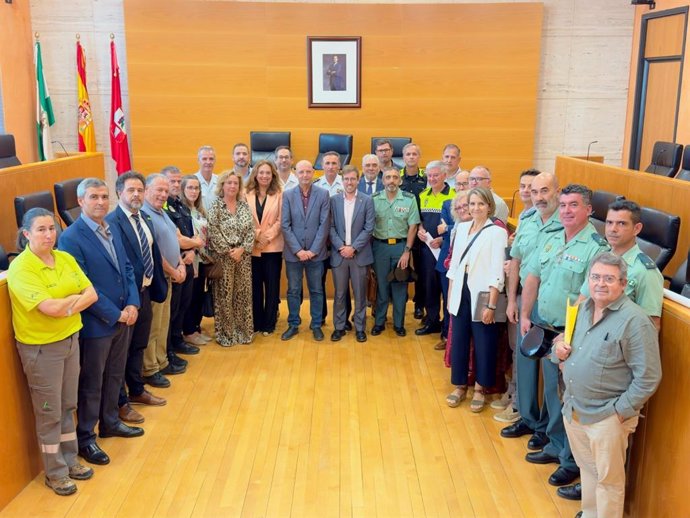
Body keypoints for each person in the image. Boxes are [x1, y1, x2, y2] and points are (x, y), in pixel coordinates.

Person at [557, 198, 665, 503]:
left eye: (622, 223)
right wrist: (563, 350)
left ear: (637, 229)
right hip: (578, 403)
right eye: (611, 223)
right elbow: (577, 325)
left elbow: (647, 337)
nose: (614, 229)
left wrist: (622, 409)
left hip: (610, 404)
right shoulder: (601, 263)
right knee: (590, 470)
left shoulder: (643, 273)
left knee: (608, 478)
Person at [520, 183, 610, 489]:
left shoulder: (596, 247)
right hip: (544, 326)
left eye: (574, 205)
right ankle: (555, 447)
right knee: (553, 395)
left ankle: (571, 461)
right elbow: (533, 276)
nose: (567, 210)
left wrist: (568, 339)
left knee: (569, 399)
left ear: (589, 210)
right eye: (564, 205)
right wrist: (524, 314)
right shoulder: (551, 238)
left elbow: (589, 298)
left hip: (569, 335)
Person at [8, 208, 98, 496]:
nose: (49, 235)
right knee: (49, 412)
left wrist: (66, 306)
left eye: (51, 228)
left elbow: (92, 294)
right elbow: (49, 309)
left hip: (70, 340)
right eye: (41, 230)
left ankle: (70, 460)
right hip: (41, 350)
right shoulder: (21, 268)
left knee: (67, 405)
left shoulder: (64, 258)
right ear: (26, 235)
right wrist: (74, 302)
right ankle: (55, 472)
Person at [58, 178, 143, 467]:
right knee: (92, 382)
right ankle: (86, 439)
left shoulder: (111, 227)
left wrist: (132, 303)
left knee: (115, 375)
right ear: (80, 201)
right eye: (93, 197)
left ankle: (110, 423)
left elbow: (128, 268)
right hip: (97, 324)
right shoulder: (71, 237)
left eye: (104, 196)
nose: (100, 202)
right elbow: (83, 286)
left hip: (123, 316)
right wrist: (115, 313)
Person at [106, 171, 168, 426]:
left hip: (144, 291)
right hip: (126, 298)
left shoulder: (143, 218)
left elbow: (151, 252)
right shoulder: (113, 222)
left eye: (140, 190)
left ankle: (137, 389)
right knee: (123, 352)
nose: (136, 195)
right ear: (119, 192)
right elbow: (122, 265)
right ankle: (121, 403)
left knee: (139, 345)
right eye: (131, 190)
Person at [501, 172, 560, 440]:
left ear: (557, 192)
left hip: (550, 302)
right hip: (525, 298)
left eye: (544, 191)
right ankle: (527, 417)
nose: (539, 197)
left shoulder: (566, 224)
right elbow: (516, 260)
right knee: (524, 359)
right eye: (534, 192)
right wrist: (512, 299)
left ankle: (547, 429)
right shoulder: (527, 220)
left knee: (550, 371)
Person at [445, 187, 508, 412]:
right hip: (460, 290)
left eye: (480, 204)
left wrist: (492, 304)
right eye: (472, 204)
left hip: (483, 294)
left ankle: (481, 388)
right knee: (460, 340)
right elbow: (454, 265)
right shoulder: (461, 228)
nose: (475, 208)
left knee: (484, 343)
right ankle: (460, 385)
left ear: (489, 206)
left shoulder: (497, 232)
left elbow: (497, 270)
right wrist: (451, 296)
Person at [492, 168, 541, 422]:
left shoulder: (546, 221)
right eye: (524, 186)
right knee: (513, 347)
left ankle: (519, 405)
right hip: (517, 289)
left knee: (522, 349)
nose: (527, 192)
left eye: (533, 188)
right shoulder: (525, 215)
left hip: (531, 295)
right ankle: (513, 395)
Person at [142, 174, 187, 388]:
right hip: (159, 278)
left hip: (170, 275)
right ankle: (151, 368)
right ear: (146, 190)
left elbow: (174, 238)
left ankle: (162, 362)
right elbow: (154, 252)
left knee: (163, 323)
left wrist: (180, 264)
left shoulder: (162, 212)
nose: (162, 194)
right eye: (158, 190)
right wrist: (173, 269)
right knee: (153, 326)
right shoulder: (144, 214)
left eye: (165, 190)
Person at [280, 160, 331, 342]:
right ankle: (293, 323)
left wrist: (313, 250)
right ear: (296, 172)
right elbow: (285, 225)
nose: (305, 175)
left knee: (316, 290)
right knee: (293, 290)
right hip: (294, 255)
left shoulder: (323, 194)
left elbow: (324, 225)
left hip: (316, 254)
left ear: (313, 173)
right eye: (301, 172)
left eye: (308, 172)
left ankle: (316, 324)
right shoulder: (287, 195)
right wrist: (298, 251)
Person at [207, 170, 255, 346]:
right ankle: (227, 334)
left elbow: (250, 230)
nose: (232, 186)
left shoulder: (243, 206)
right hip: (223, 259)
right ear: (222, 185)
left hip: (243, 258)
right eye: (229, 183)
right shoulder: (215, 206)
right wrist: (229, 251)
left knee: (243, 295)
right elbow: (213, 231)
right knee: (224, 297)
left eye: (235, 183)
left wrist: (241, 249)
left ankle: (244, 332)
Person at [371, 166, 420, 336]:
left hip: (401, 247)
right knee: (382, 286)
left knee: (400, 285)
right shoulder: (374, 199)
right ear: (383, 181)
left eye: (394, 177)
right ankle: (379, 322)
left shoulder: (409, 199)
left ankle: (399, 324)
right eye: (388, 177)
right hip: (380, 248)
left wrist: (407, 251)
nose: (391, 180)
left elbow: (413, 226)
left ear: (399, 180)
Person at [329, 165, 375, 342]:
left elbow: (369, 228)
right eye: (346, 179)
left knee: (360, 293)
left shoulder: (367, 200)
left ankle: (360, 328)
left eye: (353, 179)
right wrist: (342, 247)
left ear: (358, 180)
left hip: (359, 255)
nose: (349, 182)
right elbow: (330, 227)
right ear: (342, 180)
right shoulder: (333, 201)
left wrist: (353, 247)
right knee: (340, 294)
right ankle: (339, 327)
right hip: (339, 254)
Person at [162, 166, 203, 360]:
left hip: (187, 261)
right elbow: (177, 239)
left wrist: (192, 248)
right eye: (172, 181)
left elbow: (192, 234)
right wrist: (193, 244)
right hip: (173, 265)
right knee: (172, 309)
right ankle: (169, 348)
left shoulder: (181, 205)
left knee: (183, 306)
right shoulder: (163, 208)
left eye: (179, 181)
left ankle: (178, 340)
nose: (177, 185)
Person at [416, 161, 455, 337]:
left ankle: (447, 328)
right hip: (427, 251)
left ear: (444, 175)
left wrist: (442, 238)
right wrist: (420, 230)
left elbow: (457, 226)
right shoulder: (423, 195)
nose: (432, 178)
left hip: (446, 250)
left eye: (436, 175)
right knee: (429, 288)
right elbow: (419, 220)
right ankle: (432, 321)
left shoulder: (454, 196)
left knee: (447, 291)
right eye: (429, 176)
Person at [246, 160, 284, 336]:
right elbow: (244, 219)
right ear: (255, 174)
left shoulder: (279, 193)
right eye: (261, 172)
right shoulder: (245, 193)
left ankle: (269, 323)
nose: (264, 176)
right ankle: (256, 322)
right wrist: (256, 235)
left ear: (273, 175)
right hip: (252, 247)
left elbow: (281, 221)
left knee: (271, 287)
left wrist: (266, 237)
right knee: (254, 287)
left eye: (268, 173)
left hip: (273, 247)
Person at [435, 190, 472, 350]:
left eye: (466, 206)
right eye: (458, 207)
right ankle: (451, 342)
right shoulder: (459, 227)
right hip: (454, 274)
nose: (462, 209)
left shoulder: (491, 228)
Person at [180, 174, 212, 346]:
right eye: (190, 188)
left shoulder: (199, 210)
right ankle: (188, 331)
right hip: (190, 259)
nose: (193, 191)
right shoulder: (181, 211)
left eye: (196, 188)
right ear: (183, 190)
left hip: (203, 260)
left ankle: (196, 327)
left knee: (199, 294)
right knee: (190, 297)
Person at [399, 143, 427, 321]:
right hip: (401, 232)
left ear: (419, 157)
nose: (411, 157)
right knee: (399, 270)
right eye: (408, 154)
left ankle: (419, 305)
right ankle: (396, 307)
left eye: (414, 154)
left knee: (421, 272)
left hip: (421, 232)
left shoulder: (425, 179)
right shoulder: (397, 177)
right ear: (403, 157)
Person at [194, 145, 218, 211]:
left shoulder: (220, 182)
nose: (208, 162)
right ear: (198, 160)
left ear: (215, 161)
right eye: (204, 159)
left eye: (211, 159)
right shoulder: (192, 181)